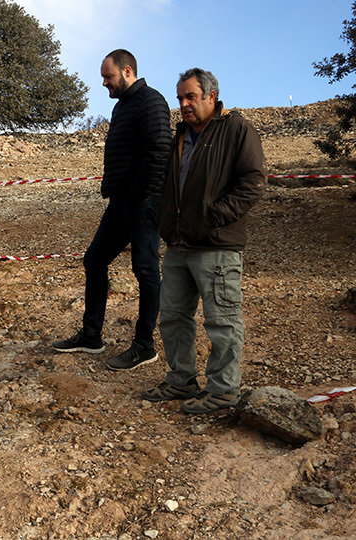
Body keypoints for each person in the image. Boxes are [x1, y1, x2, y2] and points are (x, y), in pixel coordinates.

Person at [142, 68, 266, 414]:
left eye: (190, 97)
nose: (182, 104)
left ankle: (224, 391)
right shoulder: (180, 135)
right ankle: (181, 380)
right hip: (179, 245)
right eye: (179, 97)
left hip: (216, 246)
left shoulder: (237, 129)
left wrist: (216, 216)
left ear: (211, 96)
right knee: (172, 316)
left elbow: (254, 181)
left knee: (222, 321)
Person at [52, 49, 171, 371]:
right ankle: (91, 336)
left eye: (108, 76)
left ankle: (144, 346)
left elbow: (160, 150)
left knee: (145, 271)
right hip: (122, 202)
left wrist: (139, 193)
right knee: (94, 259)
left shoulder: (152, 101)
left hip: (143, 201)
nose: (104, 83)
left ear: (127, 71)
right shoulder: (122, 107)